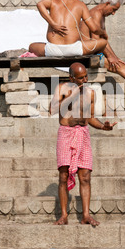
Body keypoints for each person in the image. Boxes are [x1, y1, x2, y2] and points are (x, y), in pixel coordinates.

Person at [49, 62, 117, 226]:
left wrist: (103, 126)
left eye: (86, 76)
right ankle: (64, 215)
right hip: (66, 133)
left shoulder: (90, 93)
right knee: (63, 176)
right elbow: (52, 109)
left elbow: (90, 118)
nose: (85, 80)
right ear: (71, 77)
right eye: (80, 78)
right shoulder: (61, 88)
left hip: (83, 134)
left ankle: (86, 215)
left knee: (85, 177)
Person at [29, 0, 108, 57]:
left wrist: (53, 24)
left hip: (52, 50)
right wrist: (103, 32)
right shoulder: (81, 5)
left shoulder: (53, 1)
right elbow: (94, 29)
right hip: (74, 49)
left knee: (31, 46)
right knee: (103, 42)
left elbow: (40, 4)